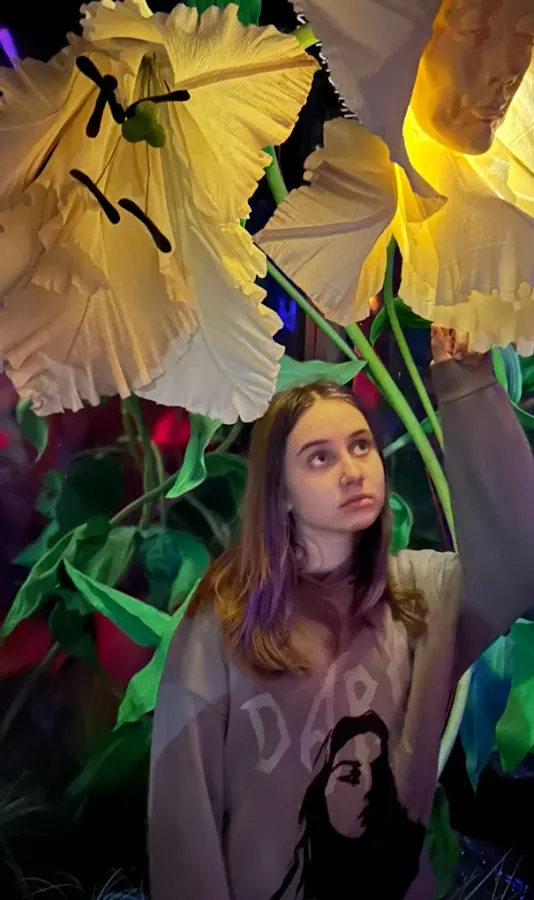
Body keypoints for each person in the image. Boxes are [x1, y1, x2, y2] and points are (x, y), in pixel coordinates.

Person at [149, 327, 534, 900]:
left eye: (360, 446)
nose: (353, 470)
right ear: (280, 491)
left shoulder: (423, 594)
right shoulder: (224, 616)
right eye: (320, 458)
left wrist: (466, 381)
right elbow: (184, 818)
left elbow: (520, 557)